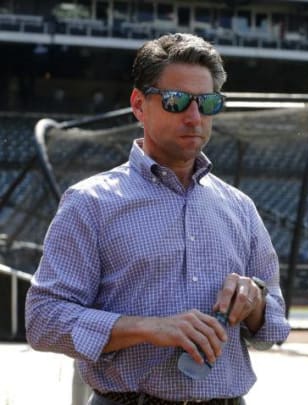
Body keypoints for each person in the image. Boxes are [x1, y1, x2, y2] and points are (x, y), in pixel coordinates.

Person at [25, 33, 291, 405]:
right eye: (176, 100)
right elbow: (44, 320)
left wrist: (256, 302)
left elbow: (274, 325)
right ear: (138, 104)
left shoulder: (240, 207)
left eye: (207, 102)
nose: (194, 116)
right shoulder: (90, 203)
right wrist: (150, 328)